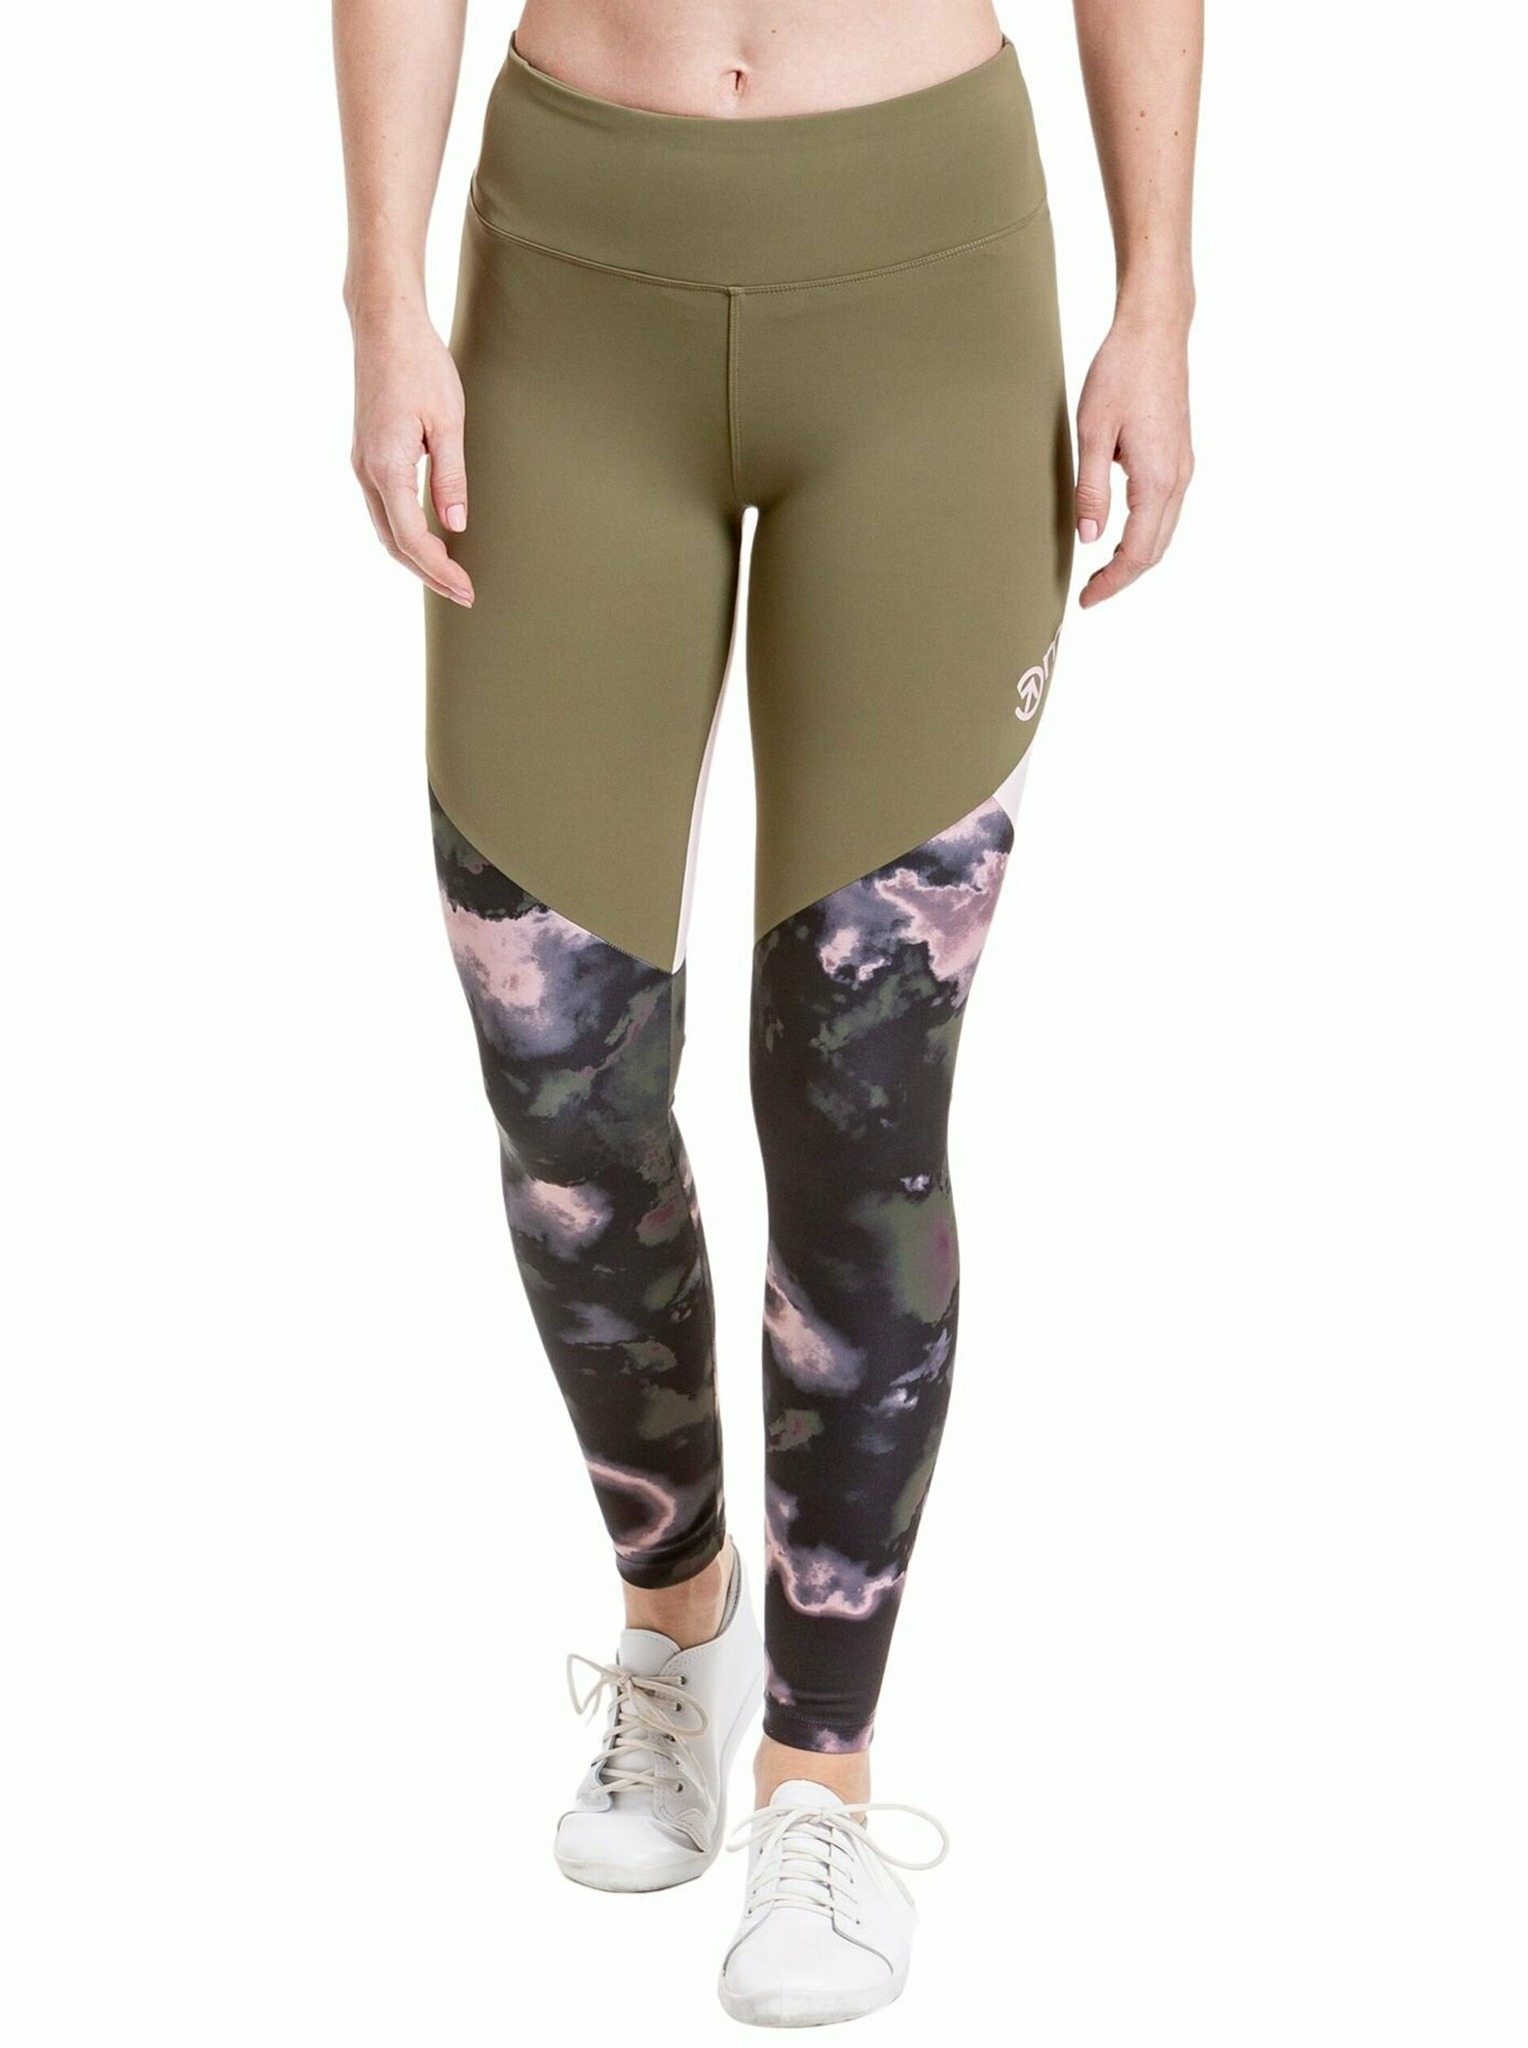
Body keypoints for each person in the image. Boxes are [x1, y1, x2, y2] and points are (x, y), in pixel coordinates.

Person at [333, 0, 1198, 2024]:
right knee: (560, 1072)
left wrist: (1158, 296)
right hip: (574, 279)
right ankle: (679, 1618)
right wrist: (382, 295)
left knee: (859, 1092)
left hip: (923, 282)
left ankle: (819, 1777)